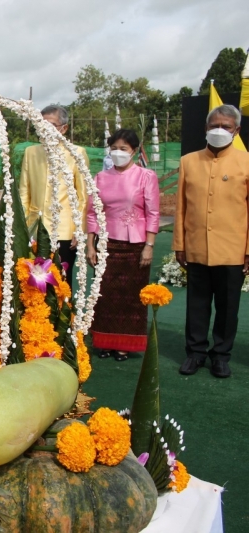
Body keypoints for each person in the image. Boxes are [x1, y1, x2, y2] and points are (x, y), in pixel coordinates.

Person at [173, 104, 249, 378]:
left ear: (236, 130)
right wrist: (179, 244)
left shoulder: (246, 161)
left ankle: (221, 355)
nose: (219, 130)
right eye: (214, 125)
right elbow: (180, 206)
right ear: (205, 128)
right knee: (197, 304)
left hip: (233, 249)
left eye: (226, 127)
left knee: (228, 308)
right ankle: (195, 353)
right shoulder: (189, 161)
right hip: (196, 247)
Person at [85, 129, 160, 361]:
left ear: (134, 151)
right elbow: (92, 214)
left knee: (130, 297)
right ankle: (104, 341)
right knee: (104, 295)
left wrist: (149, 245)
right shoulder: (100, 177)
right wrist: (90, 245)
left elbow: (154, 212)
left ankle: (125, 344)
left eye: (123, 149)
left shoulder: (146, 176)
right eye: (114, 148)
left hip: (135, 246)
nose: (118, 153)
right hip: (106, 244)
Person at [20, 105, 90, 286]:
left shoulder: (76, 153)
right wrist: (24, 227)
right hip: (35, 230)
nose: (44, 130)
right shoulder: (31, 152)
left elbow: (83, 196)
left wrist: (79, 228)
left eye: (50, 125)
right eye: (41, 125)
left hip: (65, 230)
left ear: (63, 128)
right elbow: (24, 193)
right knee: (34, 282)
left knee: (61, 283)